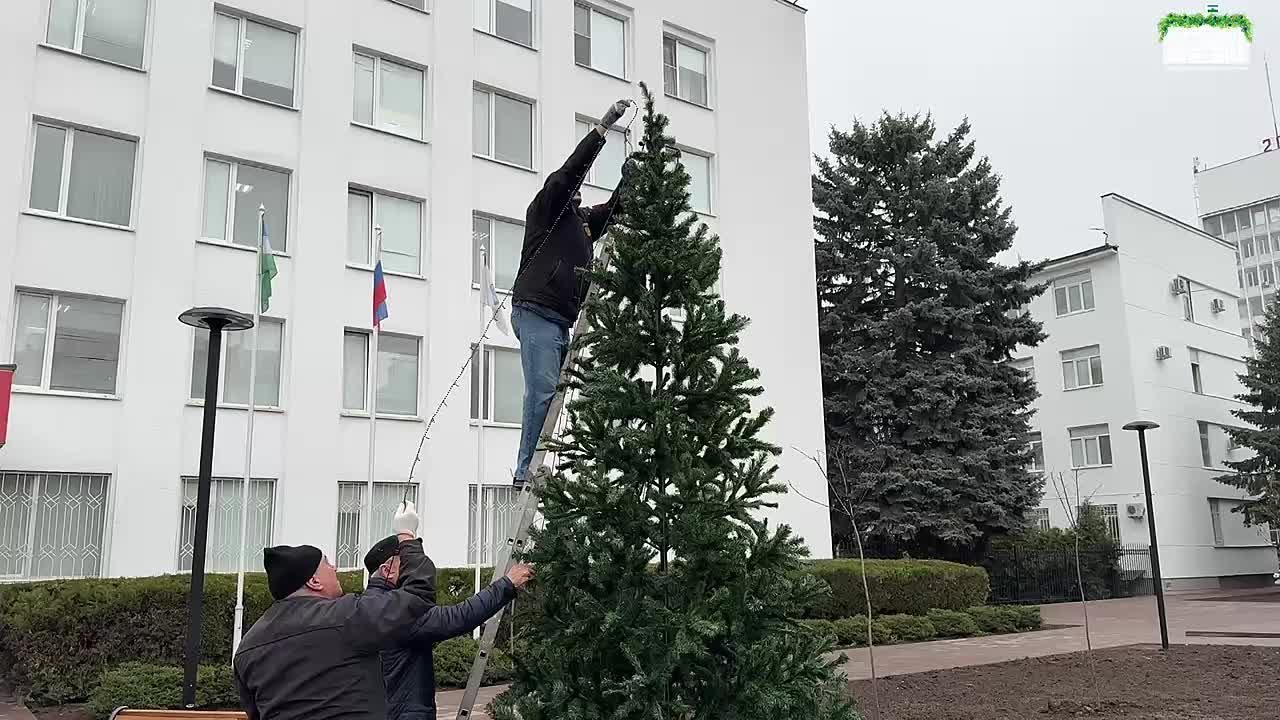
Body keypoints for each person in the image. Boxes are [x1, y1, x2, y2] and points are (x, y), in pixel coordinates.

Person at [511, 97, 637, 485]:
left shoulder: (581, 223)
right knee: (543, 391)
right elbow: (568, 174)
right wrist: (603, 128)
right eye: (574, 190)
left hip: (561, 321)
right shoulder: (546, 209)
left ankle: (546, 466)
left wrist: (632, 178)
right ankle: (526, 471)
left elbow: (614, 209)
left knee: (557, 394)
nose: (578, 194)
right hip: (536, 310)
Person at [233, 502, 431, 720]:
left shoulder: (246, 648)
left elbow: (255, 713)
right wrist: (406, 536)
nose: (334, 567)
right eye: (326, 563)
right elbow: (416, 596)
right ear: (314, 581)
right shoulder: (344, 616)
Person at [362, 536, 534, 720]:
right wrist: (507, 583)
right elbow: (459, 617)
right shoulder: (398, 612)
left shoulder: (363, 607)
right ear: (387, 570)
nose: (413, 568)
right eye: (407, 562)